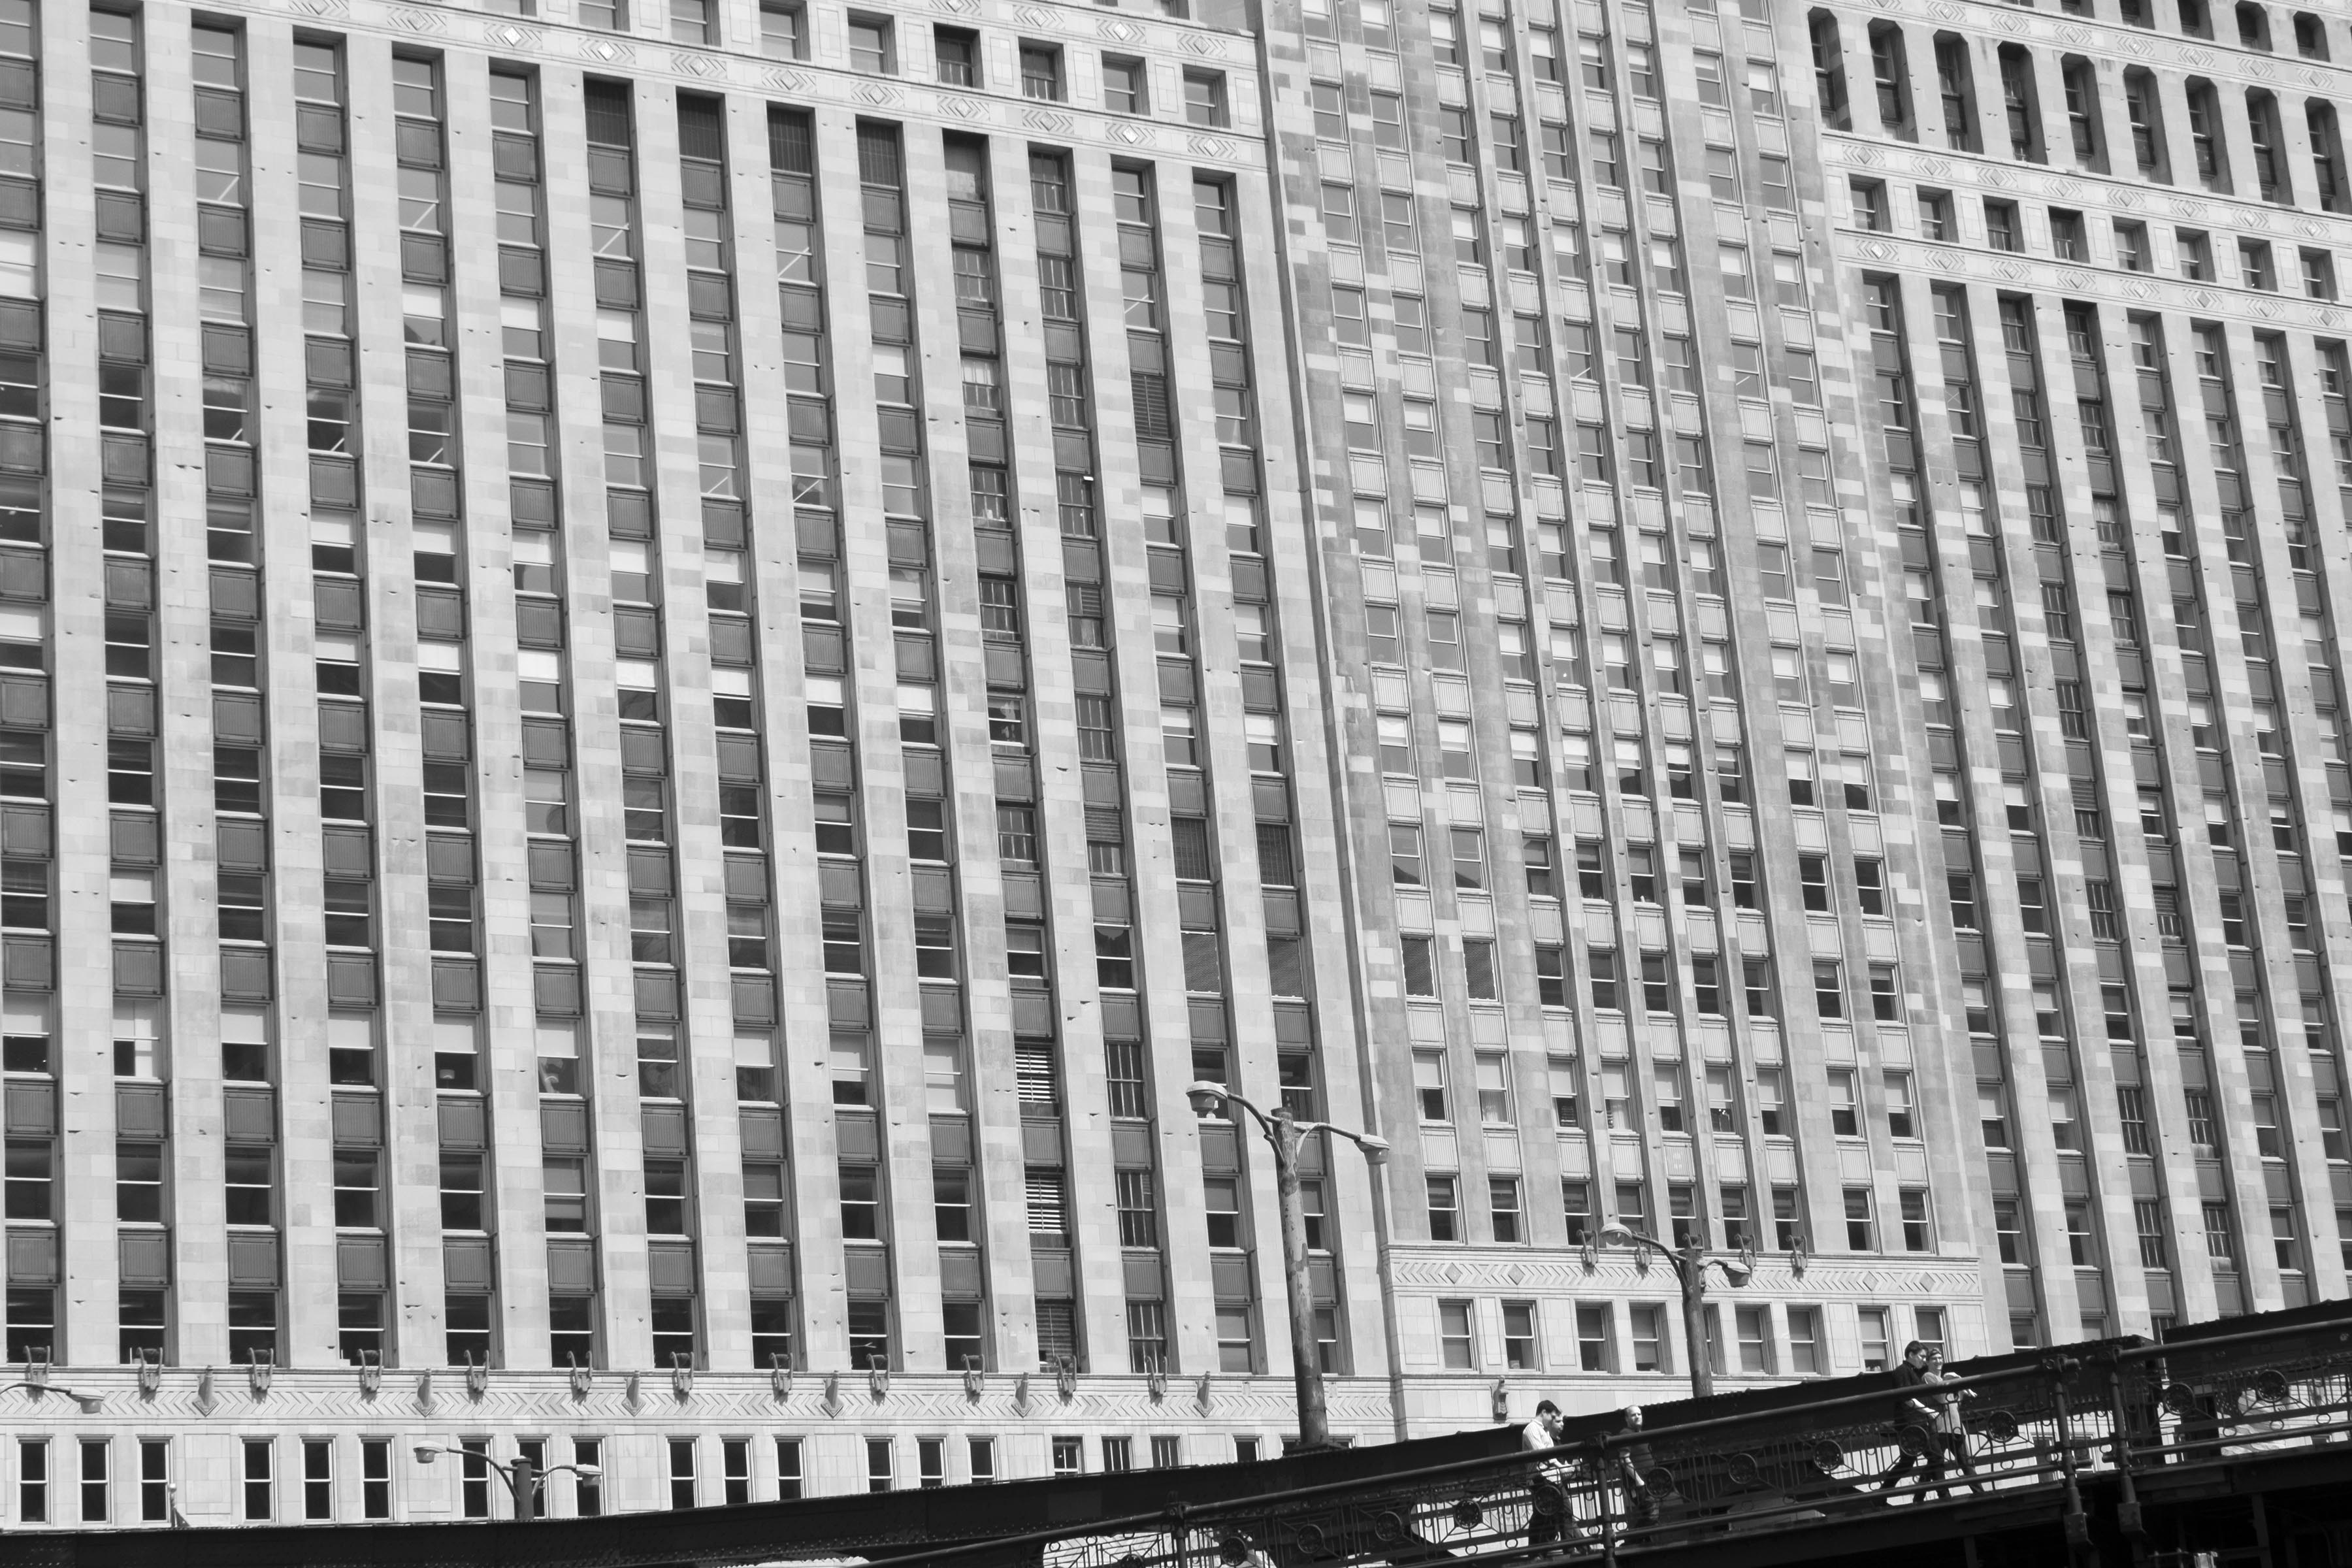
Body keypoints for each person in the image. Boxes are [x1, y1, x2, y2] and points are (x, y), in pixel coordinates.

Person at [1874, 1341, 1944, 1495]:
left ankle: (1882, 1495)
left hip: (1914, 1424)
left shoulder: (1910, 1371)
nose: (1924, 1360)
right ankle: (1942, 1494)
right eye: (1922, 1356)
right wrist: (1928, 1411)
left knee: (1908, 1462)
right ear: (1911, 1355)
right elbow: (1906, 1397)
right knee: (1935, 1456)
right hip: (1912, 1425)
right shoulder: (1902, 1371)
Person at [1923, 1348, 1980, 1497]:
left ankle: (1980, 1493)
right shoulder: (1929, 1377)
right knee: (1937, 1463)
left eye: (1940, 1358)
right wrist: (1951, 1379)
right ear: (1928, 1362)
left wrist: (1959, 1385)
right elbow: (1941, 1398)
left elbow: (1955, 1403)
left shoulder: (1945, 1380)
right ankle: (1942, 1495)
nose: (1938, 1361)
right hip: (1940, 1427)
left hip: (1955, 1426)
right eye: (1934, 1358)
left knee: (1963, 1463)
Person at [1522, 1399, 1571, 1548]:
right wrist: (1561, 1467)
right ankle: (1536, 1551)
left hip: (1550, 1478)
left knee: (1560, 1512)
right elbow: (1542, 1453)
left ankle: (1567, 1547)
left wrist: (1562, 1467)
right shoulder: (1531, 1429)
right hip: (1539, 1479)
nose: (1552, 1420)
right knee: (1542, 1515)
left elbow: (1550, 1453)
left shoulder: (1544, 1431)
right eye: (1552, 1416)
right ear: (1544, 1413)